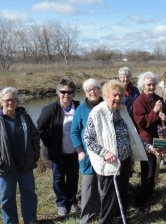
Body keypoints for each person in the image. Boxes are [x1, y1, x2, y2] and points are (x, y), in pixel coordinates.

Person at [83, 79, 147, 224]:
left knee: (123, 192)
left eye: (120, 95)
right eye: (114, 95)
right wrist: (105, 153)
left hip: (124, 161)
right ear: (106, 95)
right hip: (109, 164)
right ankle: (105, 221)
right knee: (109, 197)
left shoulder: (122, 110)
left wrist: (148, 147)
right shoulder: (97, 113)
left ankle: (121, 218)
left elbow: (133, 135)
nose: (118, 98)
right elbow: (88, 139)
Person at [0, 87, 40, 224]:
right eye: (7, 100)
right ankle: (11, 222)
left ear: (17, 101)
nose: (10, 103)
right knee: (7, 197)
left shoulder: (25, 117)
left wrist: (35, 154)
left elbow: (35, 137)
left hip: (25, 165)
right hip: (5, 168)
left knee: (29, 194)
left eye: (13, 100)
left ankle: (30, 220)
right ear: (1, 102)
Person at [37, 78, 80, 216]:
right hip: (57, 152)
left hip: (75, 151)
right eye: (63, 91)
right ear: (58, 93)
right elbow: (40, 129)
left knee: (73, 178)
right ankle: (62, 203)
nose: (66, 94)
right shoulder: (49, 109)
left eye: (69, 92)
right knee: (58, 178)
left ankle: (72, 201)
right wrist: (50, 144)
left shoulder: (79, 107)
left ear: (73, 93)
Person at [133, 71, 166, 211]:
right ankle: (139, 201)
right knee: (148, 171)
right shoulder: (139, 102)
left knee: (155, 170)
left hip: (160, 140)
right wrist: (154, 112)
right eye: (148, 84)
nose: (151, 87)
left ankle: (149, 193)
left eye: (153, 84)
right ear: (143, 85)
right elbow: (142, 124)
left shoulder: (159, 99)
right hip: (146, 143)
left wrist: (165, 118)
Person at [70, 78, 103, 223]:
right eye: (89, 90)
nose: (92, 92)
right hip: (88, 155)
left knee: (104, 185)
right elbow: (74, 132)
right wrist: (80, 151)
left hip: (106, 154)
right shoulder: (80, 109)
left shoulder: (107, 105)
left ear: (99, 90)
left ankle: (104, 212)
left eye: (95, 88)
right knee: (88, 186)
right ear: (85, 92)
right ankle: (86, 217)